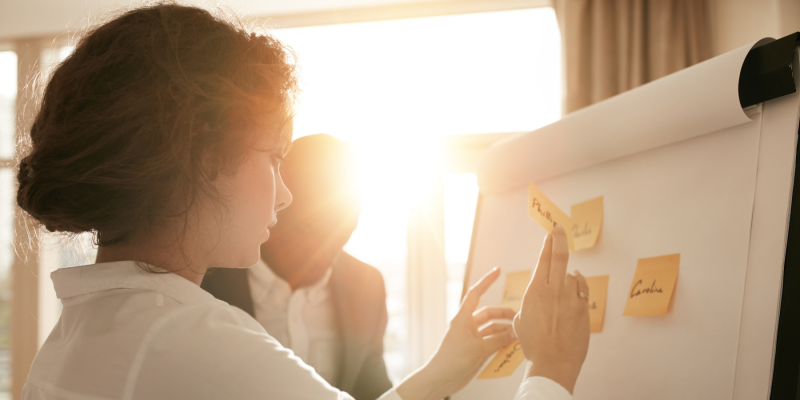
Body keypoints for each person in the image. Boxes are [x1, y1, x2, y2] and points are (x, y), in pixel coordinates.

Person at [16, 4, 590, 400]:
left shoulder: (82, 331)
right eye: (273, 157)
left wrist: (443, 368)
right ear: (201, 161)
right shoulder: (193, 341)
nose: (286, 192)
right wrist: (552, 367)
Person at [201, 134, 393, 399]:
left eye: (342, 233)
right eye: (309, 233)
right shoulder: (207, 277)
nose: (326, 253)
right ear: (275, 209)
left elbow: (371, 389)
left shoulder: (366, 285)